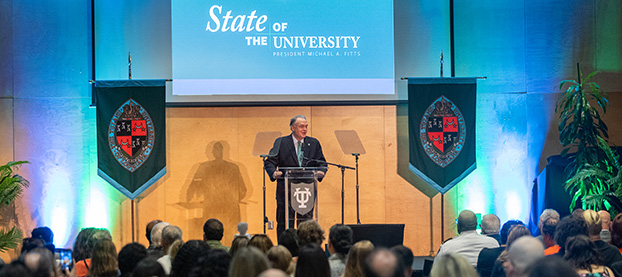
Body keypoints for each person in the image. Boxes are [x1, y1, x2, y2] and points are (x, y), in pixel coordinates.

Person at [264, 115, 328, 237]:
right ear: (292, 128)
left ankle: (304, 250)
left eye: (306, 126)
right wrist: (273, 173)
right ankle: (285, 251)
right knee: (284, 221)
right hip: (286, 189)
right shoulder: (281, 142)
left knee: (305, 224)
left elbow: (322, 162)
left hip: (306, 188)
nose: (305, 129)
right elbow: (270, 161)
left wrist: (321, 171)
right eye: (301, 126)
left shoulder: (313, 143)